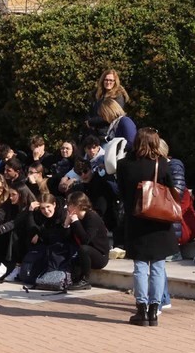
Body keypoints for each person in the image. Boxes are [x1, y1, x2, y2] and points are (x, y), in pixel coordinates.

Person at [116, 127, 176, 326]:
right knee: (158, 266)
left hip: (136, 218)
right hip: (159, 220)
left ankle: (141, 309)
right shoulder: (163, 163)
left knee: (140, 266)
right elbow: (171, 189)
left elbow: (123, 193)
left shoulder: (124, 164)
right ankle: (154, 310)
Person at [63, 191, 110, 290]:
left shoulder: (92, 217)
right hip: (83, 254)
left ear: (78, 206)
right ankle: (75, 280)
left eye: (69, 205)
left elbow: (86, 240)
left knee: (84, 249)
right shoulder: (76, 218)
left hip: (100, 256)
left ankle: (85, 280)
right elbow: (67, 239)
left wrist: (75, 221)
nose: (67, 207)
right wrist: (66, 224)